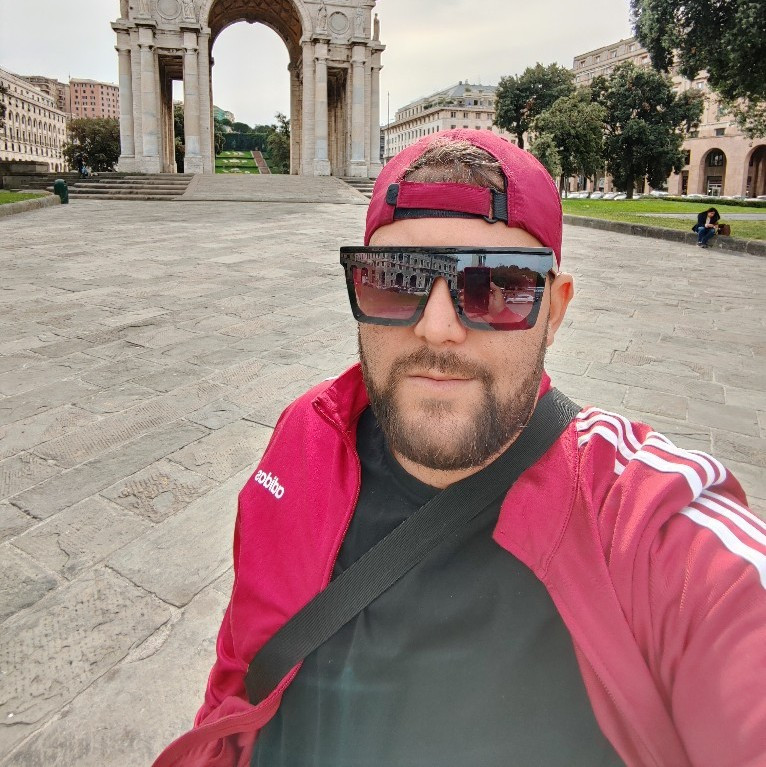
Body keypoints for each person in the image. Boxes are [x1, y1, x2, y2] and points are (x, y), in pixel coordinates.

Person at [152, 130, 766, 767]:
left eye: (497, 286)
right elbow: (239, 672)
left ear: (554, 312)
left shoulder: (641, 522)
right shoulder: (305, 436)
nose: (437, 328)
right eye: (396, 281)